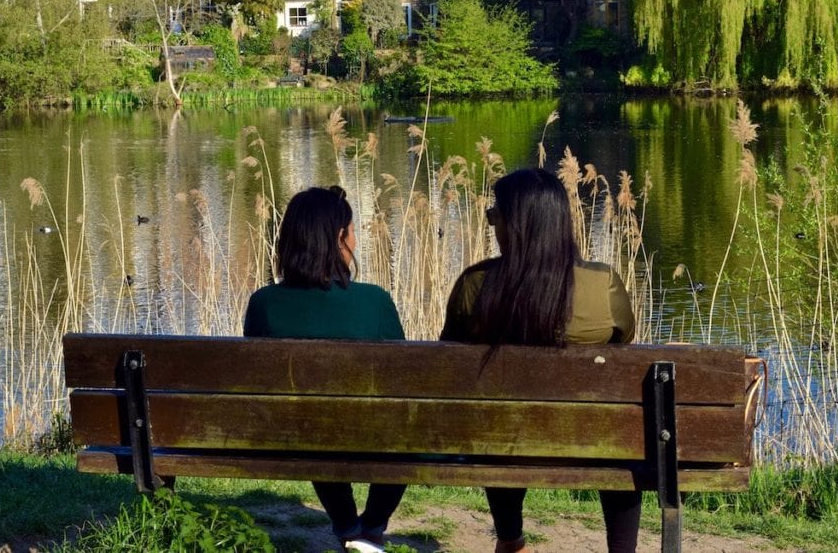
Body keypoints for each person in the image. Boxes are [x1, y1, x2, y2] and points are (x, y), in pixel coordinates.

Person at [441, 168, 640, 553]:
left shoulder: (474, 286)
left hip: (507, 441)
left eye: (493, 215)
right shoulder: (603, 285)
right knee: (620, 441)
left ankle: (511, 541)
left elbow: (449, 357)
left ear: (514, 225)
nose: (491, 224)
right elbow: (625, 340)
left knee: (500, 422)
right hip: (592, 440)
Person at [244, 185, 406, 553]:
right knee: (404, 430)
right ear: (338, 237)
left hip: (290, 437)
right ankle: (371, 527)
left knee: (311, 419)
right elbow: (402, 381)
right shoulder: (375, 301)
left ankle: (348, 524)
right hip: (368, 436)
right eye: (353, 233)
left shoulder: (264, 303)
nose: (356, 242)